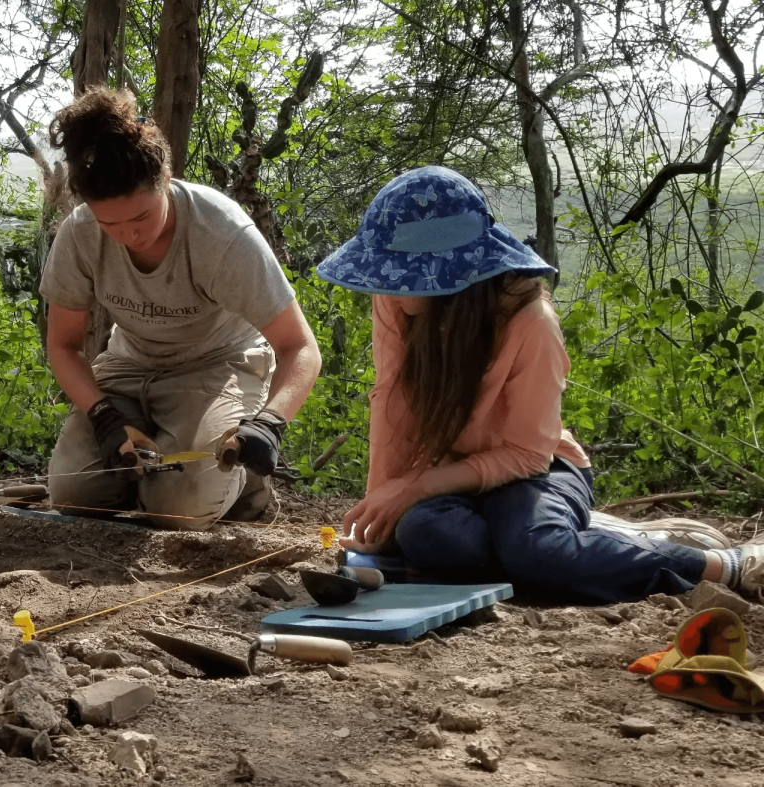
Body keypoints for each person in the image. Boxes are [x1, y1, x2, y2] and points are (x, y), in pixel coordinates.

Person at [315, 165, 763, 604]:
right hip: (449, 479)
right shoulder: (397, 304)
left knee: (536, 552)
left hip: (536, 470)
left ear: (452, 278)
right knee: (427, 536)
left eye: (400, 274)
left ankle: (721, 563)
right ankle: (570, 545)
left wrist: (413, 488)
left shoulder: (531, 322)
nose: (384, 287)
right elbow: (394, 398)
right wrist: (377, 512)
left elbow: (528, 453)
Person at [39, 89, 321, 529]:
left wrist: (269, 423)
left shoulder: (221, 234)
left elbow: (300, 347)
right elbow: (63, 346)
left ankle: (241, 482)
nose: (128, 236)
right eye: (110, 224)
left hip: (215, 366)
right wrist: (104, 417)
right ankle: (154, 460)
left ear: (165, 180)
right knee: (77, 497)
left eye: (141, 219)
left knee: (180, 510)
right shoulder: (78, 235)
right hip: (128, 367)